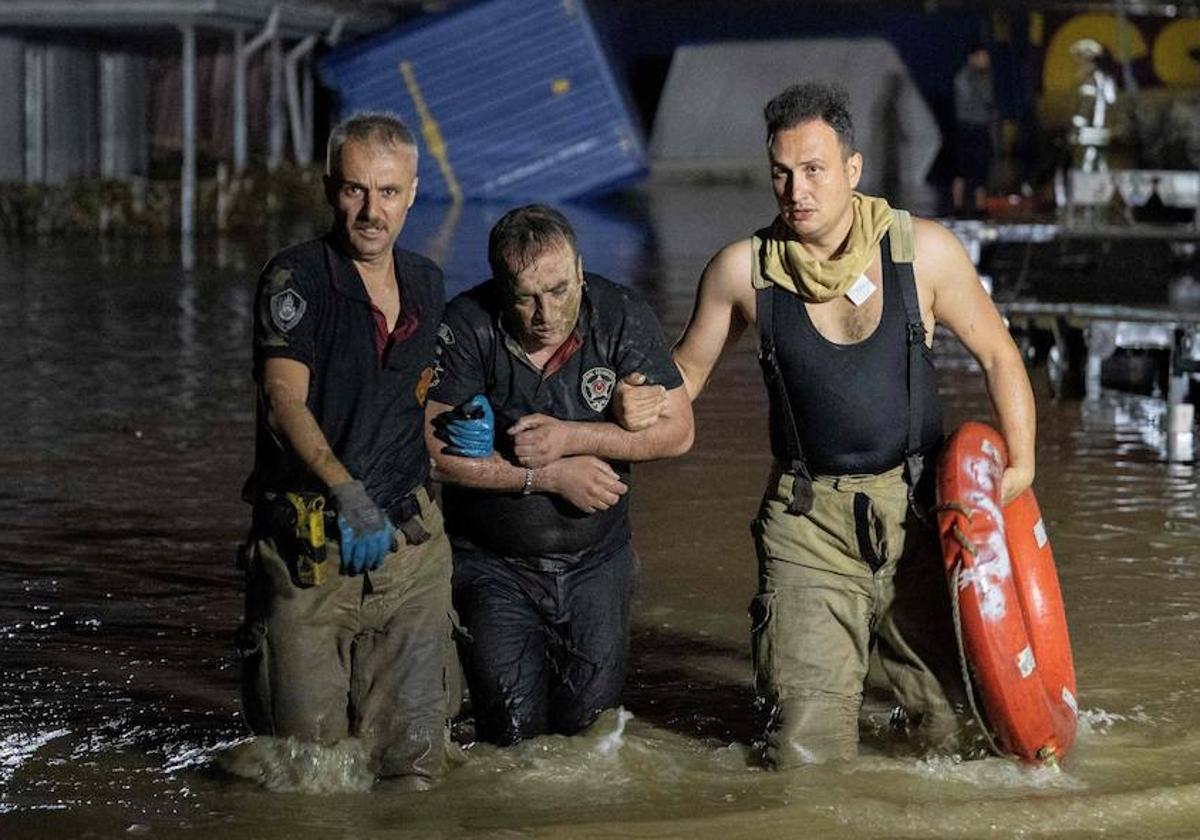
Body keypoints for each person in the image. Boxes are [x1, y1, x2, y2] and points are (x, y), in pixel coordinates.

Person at [617, 82, 1036, 766]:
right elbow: (685, 376)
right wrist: (639, 402)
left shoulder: (924, 252)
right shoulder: (740, 271)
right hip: (806, 524)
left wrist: (1020, 468)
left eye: (813, 170)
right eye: (780, 172)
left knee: (951, 738)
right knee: (805, 752)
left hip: (921, 517)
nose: (795, 190)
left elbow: (998, 353)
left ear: (852, 169)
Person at [236, 112, 455, 789]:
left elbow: (421, 400)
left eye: (388, 192)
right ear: (332, 188)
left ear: (414, 193)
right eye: (355, 190)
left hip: (411, 554)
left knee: (417, 772)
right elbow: (283, 402)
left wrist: (467, 422)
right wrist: (347, 490)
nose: (371, 210)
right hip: (311, 553)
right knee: (309, 775)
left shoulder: (426, 282)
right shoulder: (296, 279)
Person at [424, 204, 694, 746]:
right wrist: (543, 478)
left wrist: (573, 438)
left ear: (580, 268)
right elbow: (429, 451)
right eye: (526, 297)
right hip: (494, 568)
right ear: (500, 288)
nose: (546, 312)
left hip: (599, 564)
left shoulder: (619, 314)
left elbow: (680, 433)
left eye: (560, 289)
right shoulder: (466, 322)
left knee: (593, 738)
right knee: (511, 737)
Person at [952, 43, 996, 216]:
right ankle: (958, 205)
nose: (986, 61)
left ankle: (980, 206)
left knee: (981, 169)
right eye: (982, 57)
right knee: (962, 169)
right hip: (967, 128)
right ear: (973, 58)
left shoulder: (986, 77)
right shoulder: (964, 77)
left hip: (981, 128)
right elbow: (975, 100)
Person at [1068, 38, 1117, 173]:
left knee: (1085, 166)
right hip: (1103, 132)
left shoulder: (1090, 82)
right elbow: (1112, 105)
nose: (1076, 64)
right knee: (1100, 164)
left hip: (1088, 133)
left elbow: (1084, 110)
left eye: (1079, 59)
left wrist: (1075, 130)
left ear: (1087, 59)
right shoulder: (1107, 80)